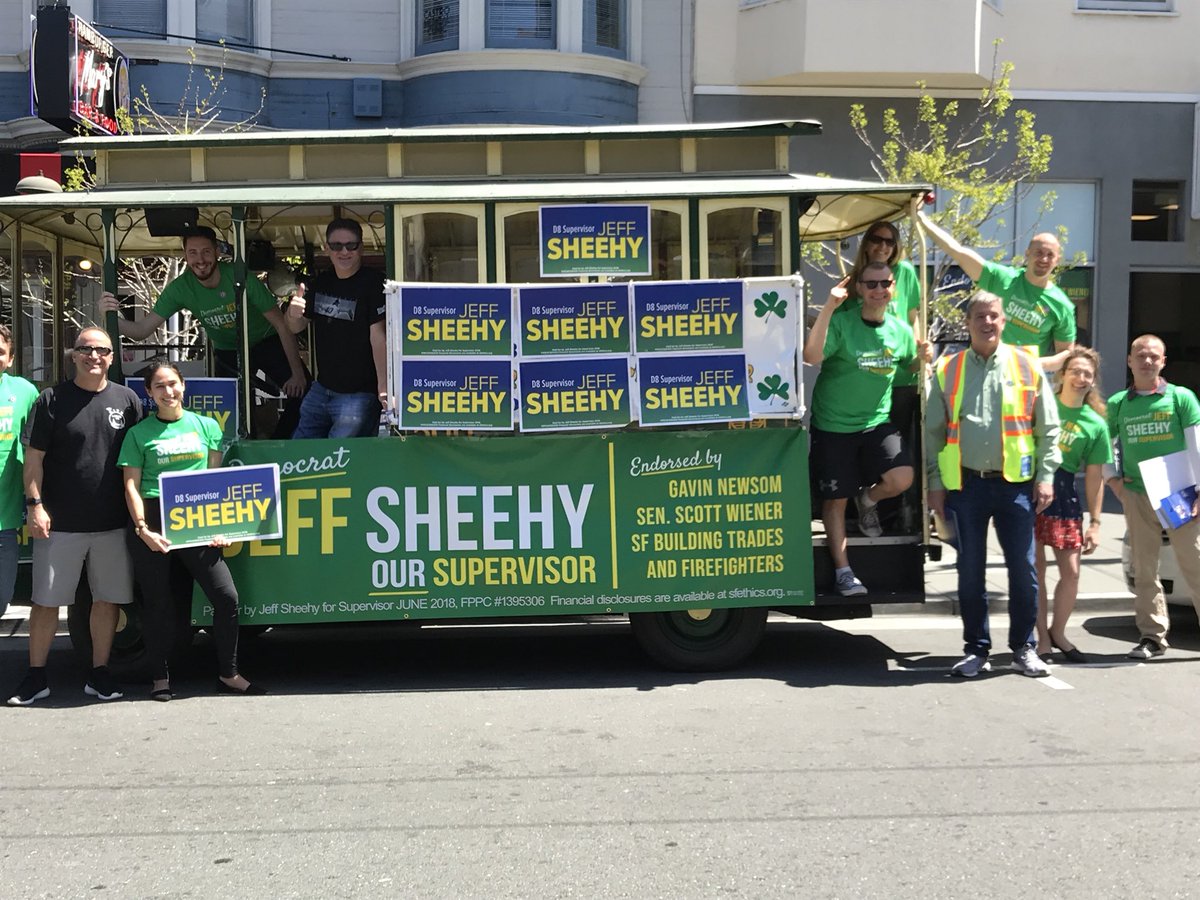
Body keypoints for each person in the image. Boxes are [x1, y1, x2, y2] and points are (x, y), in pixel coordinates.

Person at [926, 292, 1060, 678]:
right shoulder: (947, 369)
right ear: (968, 323)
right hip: (965, 486)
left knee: (1024, 569)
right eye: (980, 316)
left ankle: (1023, 648)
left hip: (1016, 486)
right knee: (970, 571)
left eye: (994, 316)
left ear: (1004, 322)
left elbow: (1048, 428)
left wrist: (1046, 476)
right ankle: (976, 649)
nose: (987, 322)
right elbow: (933, 433)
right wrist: (935, 485)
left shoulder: (1026, 366)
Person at [7, 327, 142, 706]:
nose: (93, 356)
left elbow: (137, 461)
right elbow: (34, 459)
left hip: (112, 523)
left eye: (101, 350)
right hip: (59, 523)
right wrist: (35, 505)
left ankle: (99, 675)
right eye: (85, 349)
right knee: (46, 603)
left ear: (112, 357)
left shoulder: (128, 399)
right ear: (74, 355)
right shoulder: (51, 399)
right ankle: (36, 677)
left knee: (107, 601)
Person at [118, 361, 264, 699]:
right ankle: (160, 679)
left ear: (183, 386)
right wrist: (142, 529)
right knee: (157, 604)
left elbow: (213, 482)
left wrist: (219, 527)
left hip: (195, 518)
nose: (168, 392)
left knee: (226, 597)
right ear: (149, 393)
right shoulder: (138, 434)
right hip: (152, 519)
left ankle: (229, 674)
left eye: (173, 384)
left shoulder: (207, 426)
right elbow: (131, 488)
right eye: (159, 386)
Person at [100, 226, 308, 437]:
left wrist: (298, 374)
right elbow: (141, 331)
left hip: (266, 339)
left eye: (206, 251)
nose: (200, 259)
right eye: (193, 253)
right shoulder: (180, 288)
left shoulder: (239, 277)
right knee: (232, 404)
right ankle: (245, 451)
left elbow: (282, 324)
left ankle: (281, 445)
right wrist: (109, 315)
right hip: (227, 350)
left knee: (305, 392)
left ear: (217, 252)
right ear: (185, 255)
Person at [804, 261, 930, 596]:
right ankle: (845, 573)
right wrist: (829, 307)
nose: (877, 290)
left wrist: (924, 356)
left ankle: (868, 500)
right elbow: (811, 355)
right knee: (835, 501)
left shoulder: (900, 330)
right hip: (833, 426)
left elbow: (910, 364)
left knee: (902, 478)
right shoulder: (843, 323)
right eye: (870, 284)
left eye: (884, 284)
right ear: (859, 289)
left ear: (893, 289)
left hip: (875, 424)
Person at [1105, 334, 1200, 660]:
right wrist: (1113, 481)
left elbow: (1196, 445)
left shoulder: (1180, 398)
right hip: (1138, 494)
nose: (1147, 361)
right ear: (1130, 361)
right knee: (1145, 570)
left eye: (1153, 356)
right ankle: (1152, 638)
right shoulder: (1119, 403)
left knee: (1195, 564)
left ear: (1163, 362)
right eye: (1140, 355)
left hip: (1179, 496)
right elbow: (1109, 447)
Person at [916, 210, 1076, 371]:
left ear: (1057, 260)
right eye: (1038, 253)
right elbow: (957, 251)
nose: (1043, 259)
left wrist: (1034, 364)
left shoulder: (1061, 304)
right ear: (1027, 254)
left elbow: (1067, 353)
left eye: (1050, 255)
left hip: (1025, 379)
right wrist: (923, 221)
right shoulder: (1003, 279)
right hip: (986, 370)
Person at [1035, 347, 1111, 663]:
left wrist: (1095, 522)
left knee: (1072, 572)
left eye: (1087, 374)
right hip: (1032, 488)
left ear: (1093, 381)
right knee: (1034, 571)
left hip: (1065, 495)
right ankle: (1041, 640)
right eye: (1075, 371)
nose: (1081, 378)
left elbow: (1095, 478)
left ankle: (1058, 631)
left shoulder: (1095, 424)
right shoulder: (1041, 405)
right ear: (1062, 374)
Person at [285, 218, 388, 438]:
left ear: (361, 248)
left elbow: (378, 337)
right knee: (299, 449)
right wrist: (293, 313)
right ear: (327, 249)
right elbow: (296, 327)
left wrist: (383, 387)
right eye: (336, 246)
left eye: (351, 245)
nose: (344, 251)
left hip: (359, 395)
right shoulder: (321, 282)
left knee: (338, 457)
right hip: (321, 389)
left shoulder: (374, 283)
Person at [0, 325, 39, 619]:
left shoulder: (24, 392)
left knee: (1, 601)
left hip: (5, 522)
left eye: (1, 352)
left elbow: (36, 450)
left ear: (10, 359)